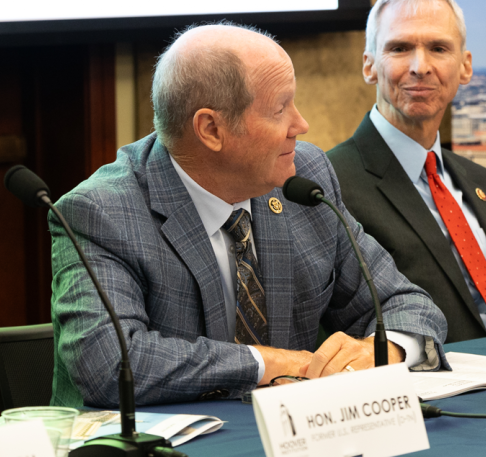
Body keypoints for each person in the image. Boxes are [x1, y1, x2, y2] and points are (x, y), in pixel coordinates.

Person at [49, 23, 448, 408]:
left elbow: (406, 302)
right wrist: (269, 364)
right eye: (279, 109)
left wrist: (384, 349)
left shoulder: (304, 178)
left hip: (298, 439)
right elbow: (111, 364)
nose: (301, 125)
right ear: (211, 129)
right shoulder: (102, 212)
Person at [328, 0, 486, 343]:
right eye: (399, 48)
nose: (420, 66)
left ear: (465, 66)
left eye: (438, 48)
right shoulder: (332, 185)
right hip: (437, 391)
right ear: (369, 66)